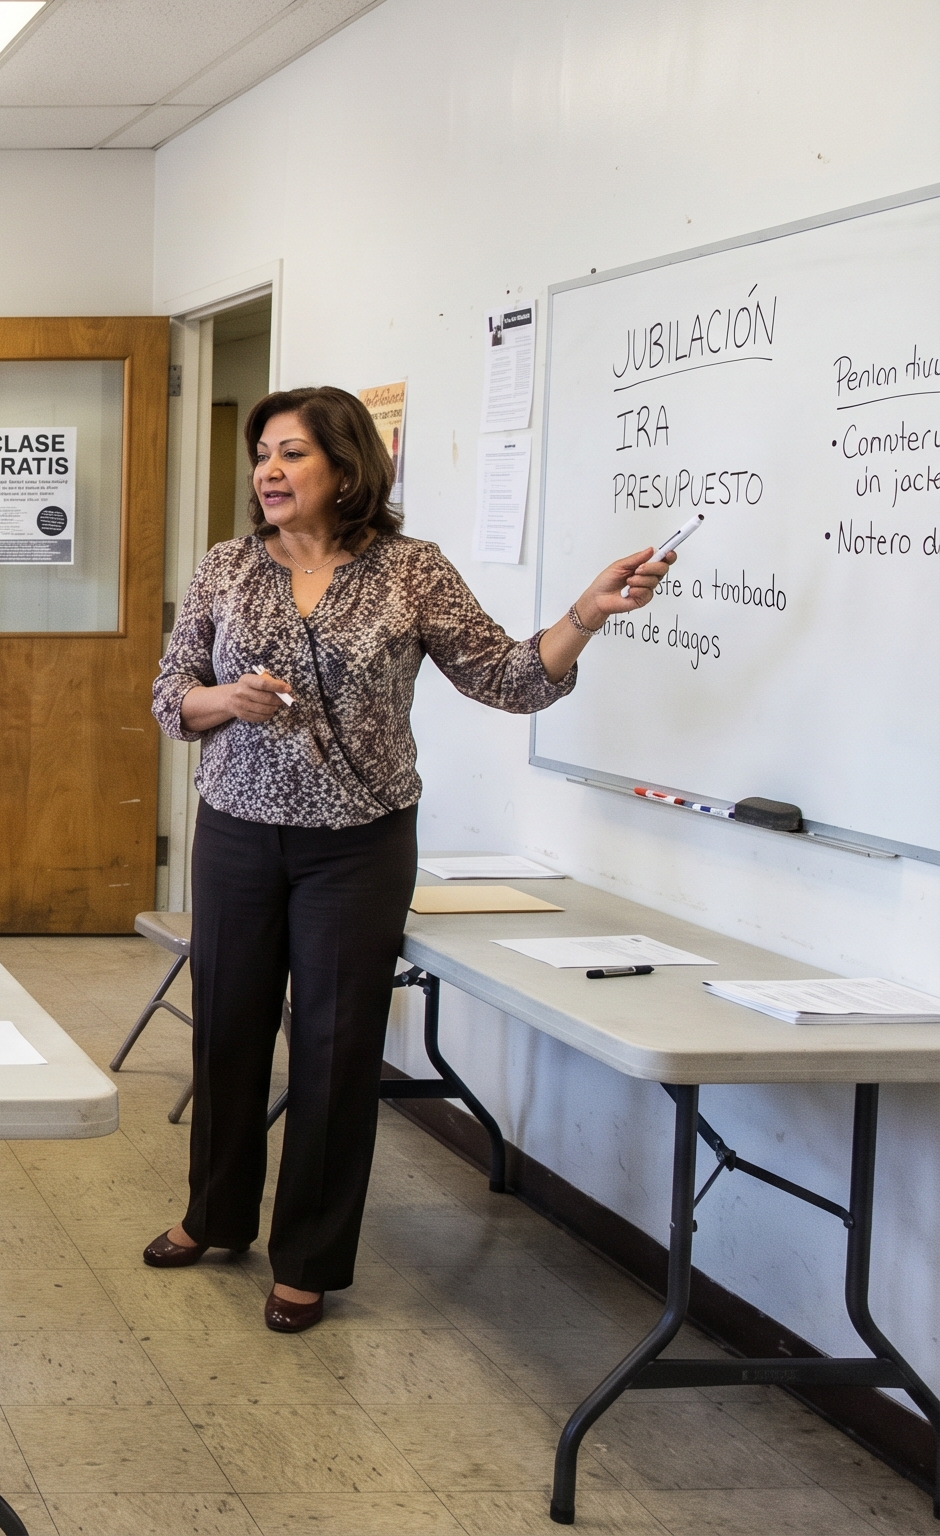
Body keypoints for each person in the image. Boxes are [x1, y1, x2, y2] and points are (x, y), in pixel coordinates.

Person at [144, 385, 675, 1332]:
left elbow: (508, 679)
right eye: (263, 452)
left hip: (359, 846)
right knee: (225, 1031)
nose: (269, 469)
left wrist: (587, 613)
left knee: (337, 1047)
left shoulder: (409, 571)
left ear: (348, 468)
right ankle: (213, 1217)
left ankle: (307, 1260)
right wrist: (227, 701)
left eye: (293, 453)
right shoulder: (226, 567)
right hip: (236, 832)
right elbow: (168, 694)